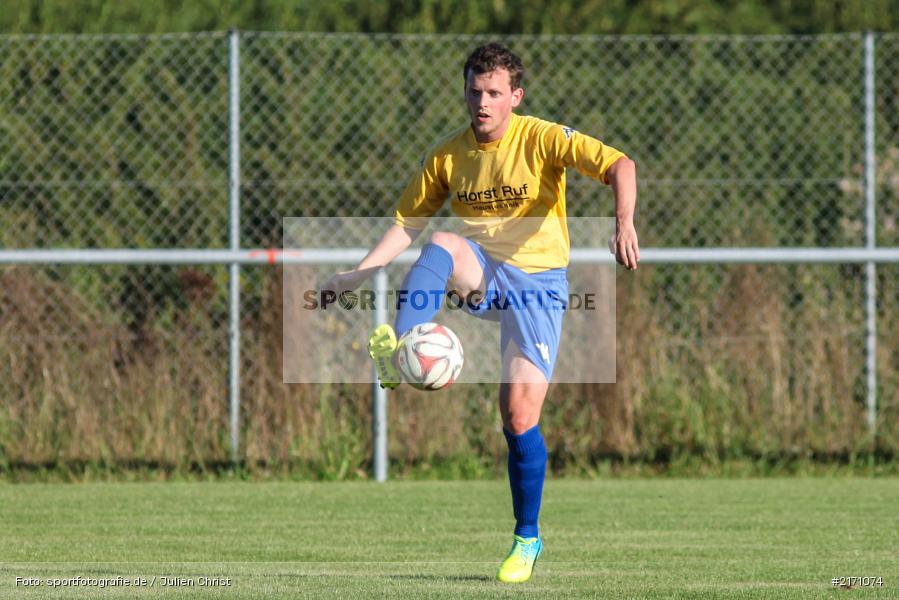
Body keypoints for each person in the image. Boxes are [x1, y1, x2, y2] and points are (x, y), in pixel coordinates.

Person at [324, 42, 638, 583]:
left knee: (518, 417)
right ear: (465, 92)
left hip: (538, 288)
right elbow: (406, 223)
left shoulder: (541, 136)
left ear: (516, 96)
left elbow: (620, 164)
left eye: (494, 92)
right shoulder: (448, 155)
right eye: (475, 91)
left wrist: (624, 222)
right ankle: (403, 347)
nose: (483, 102)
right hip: (486, 275)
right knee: (442, 242)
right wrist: (358, 273)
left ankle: (527, 539)